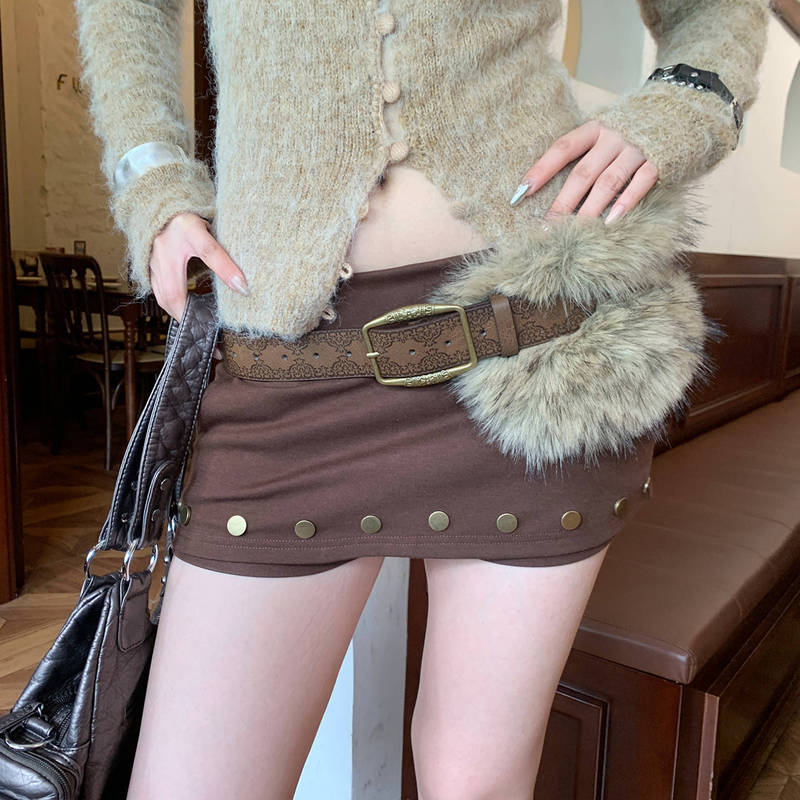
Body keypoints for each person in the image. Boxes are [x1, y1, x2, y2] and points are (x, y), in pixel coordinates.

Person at [74, 0, 768, 797]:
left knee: (476, 783)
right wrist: (152, 181)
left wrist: (678, 108)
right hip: (285, 375)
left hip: (535, 356)